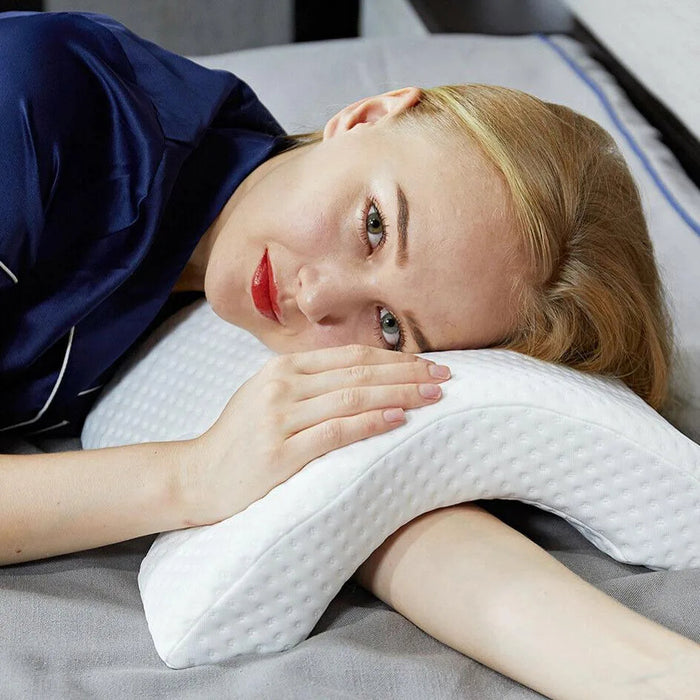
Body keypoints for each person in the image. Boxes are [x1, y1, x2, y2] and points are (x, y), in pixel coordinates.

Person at [0, 11, 697, 698]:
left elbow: (387, 494)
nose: (317, 297)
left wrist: (651, 677)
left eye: (391, 325)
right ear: (368, 115)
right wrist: (189, 476)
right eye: (374, 225)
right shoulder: (45, 103)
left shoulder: (226, 276)